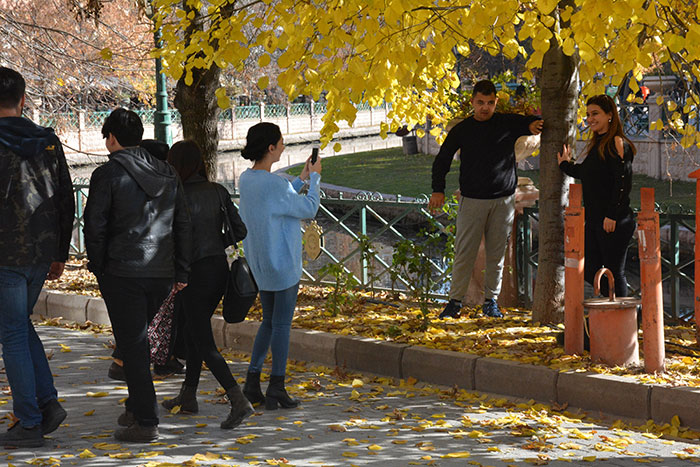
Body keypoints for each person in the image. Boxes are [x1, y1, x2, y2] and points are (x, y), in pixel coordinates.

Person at [84, 108, 191, 442]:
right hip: (161, 272)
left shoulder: (107, 175)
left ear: (112, 138)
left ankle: (146, 421)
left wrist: (98, 266)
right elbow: (183, 224)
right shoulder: (167, 172)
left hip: (123, 271)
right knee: (137, 339)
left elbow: (95, 226)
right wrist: (182, 269)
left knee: (133, 346)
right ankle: (136, 406)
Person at [0, 67, 74, 448]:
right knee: (18, 325)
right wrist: (60, 252)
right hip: (40, 252)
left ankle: (29, 421)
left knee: (11, 333)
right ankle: (46, 404)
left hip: (5, 255)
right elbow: (65, 197)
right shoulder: (47, 140)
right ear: (23, 99)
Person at [430, 79, 543, 319]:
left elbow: (528, 123)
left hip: (503, 201)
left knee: (496, 255)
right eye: (481, 102)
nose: (485, 108)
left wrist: (533, 125)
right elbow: (442, 160)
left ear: (495, 103)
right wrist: (437, 190)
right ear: (473, 102)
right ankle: (454, 302)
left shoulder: (505, 123)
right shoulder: (462, 129)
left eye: (490, 103)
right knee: (464, 253)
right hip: (472, 201)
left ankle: (491, 301)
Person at [162, 140, 254, 429]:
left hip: (191, 275)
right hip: (217, 271)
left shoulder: (175, 195)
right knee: (192, 332)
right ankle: (188, 396)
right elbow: (240, 230)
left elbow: (173, 240)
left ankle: (238, 400)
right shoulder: (218, 191)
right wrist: (216, 243)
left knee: (203, 341)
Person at [238, 122, 321, 410]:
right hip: (283, 263)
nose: (284, 146)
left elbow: (276, 200)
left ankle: (252, 381)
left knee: (269, 321)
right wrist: (316, 180)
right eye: (282, 142)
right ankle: (277, 385)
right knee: (282, 324)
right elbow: (308, 208)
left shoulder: (246, 180)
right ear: (271, 147)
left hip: (261, 263)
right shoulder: (274, 184)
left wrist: (300, 180)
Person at [558, 94, 636, 298]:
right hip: (594, 221)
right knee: (589, 269)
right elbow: (585, 173)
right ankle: (616, 311)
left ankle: (622, 318)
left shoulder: (618, 142)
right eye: (588, 114)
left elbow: (623, 183)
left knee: (614, 272)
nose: (590, 118)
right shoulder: (598, 144)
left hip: (614, 221)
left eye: (596, 114)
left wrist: (612, 215)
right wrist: (565, 165)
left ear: (610, 115)